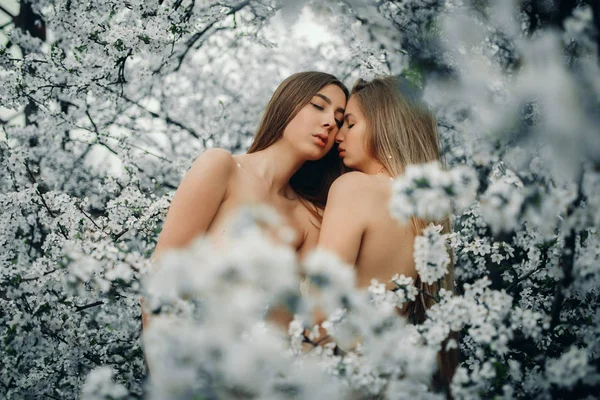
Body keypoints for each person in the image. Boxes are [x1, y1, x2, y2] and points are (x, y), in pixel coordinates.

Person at [141, 71, 349, 352]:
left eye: (338, 120)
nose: (329, 122)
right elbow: (160, 279)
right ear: (288, 103)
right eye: (318, 105)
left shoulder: (309, 220)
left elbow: (281, 327)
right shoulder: (220, 168)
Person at [315, 75, 457, 387]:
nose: (338, 135)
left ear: (385, 124)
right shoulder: (427, 211)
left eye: (350, 124)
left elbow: (319, 299)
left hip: (340, 375)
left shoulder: (353, 187)